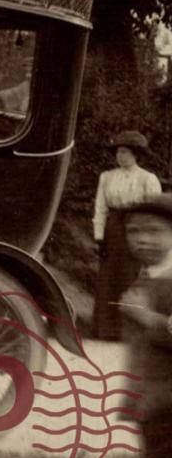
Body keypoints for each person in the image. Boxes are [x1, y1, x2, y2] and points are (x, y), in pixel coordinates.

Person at [112, 193, 172, 458]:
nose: (142, 239)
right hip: (155, 406)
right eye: (134, 231)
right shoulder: (148, 278)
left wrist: (144, 316)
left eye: (154, 231)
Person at [92, 130, 162, 339]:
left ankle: (128, 331)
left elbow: (153, 212)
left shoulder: (147, 178)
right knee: (108, 277)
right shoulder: (107, 177)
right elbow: (101, 207)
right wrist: (99, 236)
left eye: (125, 152)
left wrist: (147, 237)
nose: (120, 156)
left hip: (135, 227)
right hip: (113, 229)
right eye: (118, 152)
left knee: (129, 276)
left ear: (135, 154)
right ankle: (105, 329)